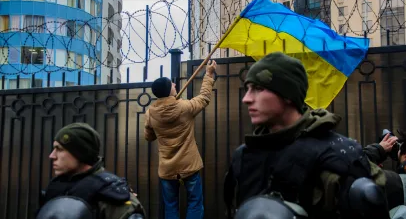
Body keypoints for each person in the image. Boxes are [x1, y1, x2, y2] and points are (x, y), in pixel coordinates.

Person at [223, 52, 390, 219]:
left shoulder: (339, 156)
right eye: (248, 89)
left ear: (287, 94)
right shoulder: (244, 156)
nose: (246, 99)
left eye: (258, 89)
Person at [144, 60, 217, 219]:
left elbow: (149, 137)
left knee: (171, 206)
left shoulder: (150, 114)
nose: (175, 86)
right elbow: (204, 97)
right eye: (172, 85)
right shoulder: (184, 108)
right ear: (168, 90)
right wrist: (209, 74)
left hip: (167, 168)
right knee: (195, 202)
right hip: (189, 165)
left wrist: (159, 129)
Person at [37, 123, 145, 219]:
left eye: (59, 149)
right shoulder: (56, 187)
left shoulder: (111, 192)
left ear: (80, 153)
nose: (52, 156)